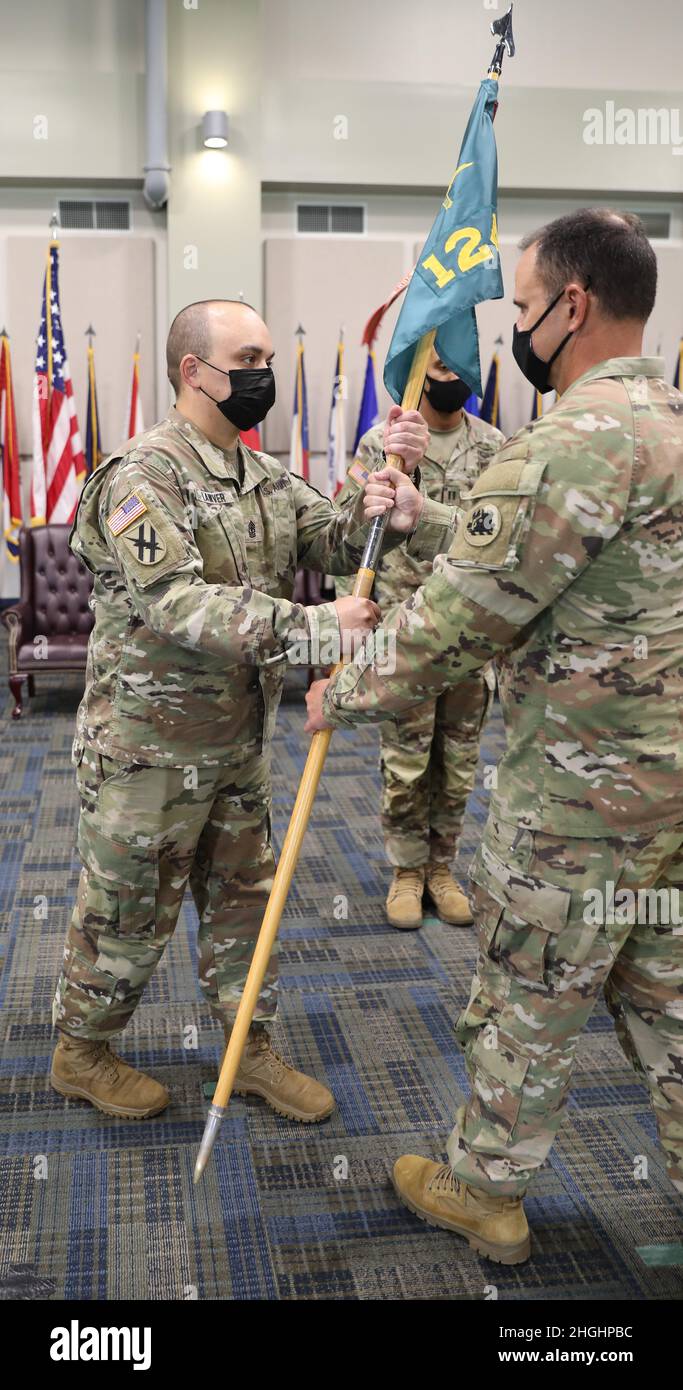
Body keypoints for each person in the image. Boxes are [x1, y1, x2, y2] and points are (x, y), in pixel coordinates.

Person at [305, 210, 683, 1264]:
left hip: (575, 812)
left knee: (526, 1001)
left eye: (518, 307)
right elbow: (593, 572)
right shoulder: (672, 428)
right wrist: (430, 518)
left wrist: (348, 688)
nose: (510, 329)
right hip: (669, 806)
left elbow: (458, 617)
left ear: (572, 306)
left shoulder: (565, 443)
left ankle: (484, 1193)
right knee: (669, 1005)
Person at [50, 298, 430, 1124]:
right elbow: (175, 603)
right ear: (194, 371)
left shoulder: (261, 475)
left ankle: (246, 1048)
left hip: (236, 747)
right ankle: (81, 1052)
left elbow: (328, 541)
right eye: (248, 358)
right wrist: (313, 626)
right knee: (127, 913)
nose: (263, 374)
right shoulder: (140, 476)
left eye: (264, 358)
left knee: (244, 906)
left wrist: (386, 517)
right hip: (146, 752)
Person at [335, 351, 503, 928]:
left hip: (468, 632)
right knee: (406, 761)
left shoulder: (495, 446)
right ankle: (407, 870)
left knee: (458, 760)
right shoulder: (381, 445)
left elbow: (498, 541)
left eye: (459, 362)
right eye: (437, 361)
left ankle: (441, 867)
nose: (448, 372)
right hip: (404, 632)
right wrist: (348, 621)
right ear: (419, 366)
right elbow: (347, 534)